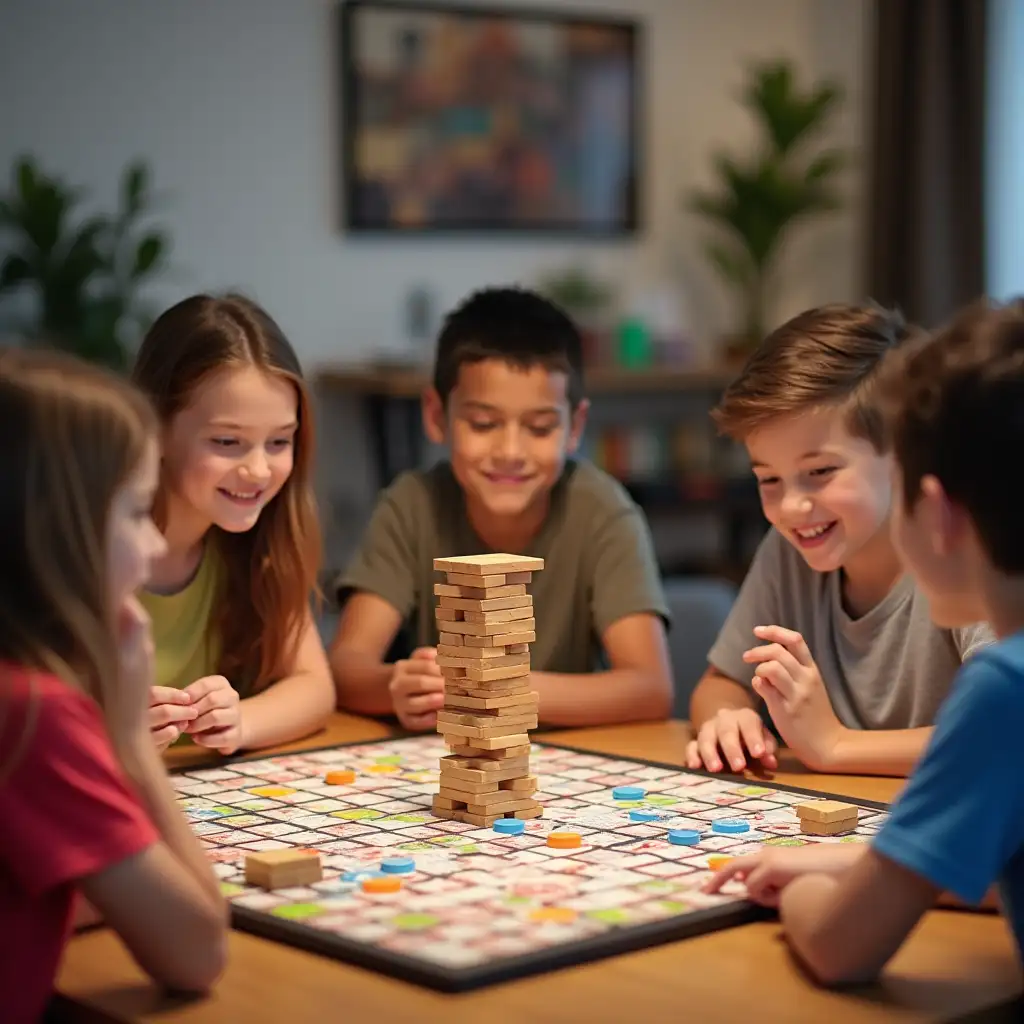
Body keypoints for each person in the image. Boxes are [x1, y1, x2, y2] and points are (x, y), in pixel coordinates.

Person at [704, 298, 1024, 983]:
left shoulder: (1005, 691)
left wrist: (810, 874)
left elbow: (841, 945)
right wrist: (851, 860)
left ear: (930, 505)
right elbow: (997, 864)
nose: (795, 507)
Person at [0, 349, 227, 1022]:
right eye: (133, 512)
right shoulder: (32, 713)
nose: (156, 544)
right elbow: (198, 950)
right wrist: (128, 743)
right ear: (58, 532)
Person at [330, 286, 673, 730]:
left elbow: (649, 688)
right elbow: (345, 665)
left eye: (539, 427)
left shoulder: (602, 511)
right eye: (484, 424)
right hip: (449, 760)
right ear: (436, 416)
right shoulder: (412, 505)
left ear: (575, 427)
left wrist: (495, 687)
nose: (510, 450)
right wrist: (397, 685)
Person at [687, 304, 992, 777]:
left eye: (820, 472)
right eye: (769, 479)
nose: (791, 507)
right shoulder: (790, 548)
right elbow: (720, 682)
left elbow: (1002, 731)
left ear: (903, 453)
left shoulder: (963, 550)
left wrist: (835, 745)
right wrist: (729, 718)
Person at [132, 294, 334, 754]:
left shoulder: (260, 542)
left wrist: (242, 720)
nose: (259, 471)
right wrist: (101, 729)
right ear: (155, 426)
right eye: (227, 441)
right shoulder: (84, 548)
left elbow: (315, 687)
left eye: (280, 441)